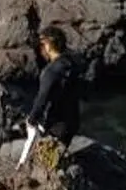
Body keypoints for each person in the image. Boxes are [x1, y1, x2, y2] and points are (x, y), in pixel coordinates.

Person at [23, 27, 82, 169]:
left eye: (41, 45)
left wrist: (31, 119)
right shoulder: (72, 64)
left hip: (56, 125)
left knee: (46, 165)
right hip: (73, 120)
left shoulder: (51, 71)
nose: (40, 50)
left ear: (48, 45)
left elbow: (42, 98)